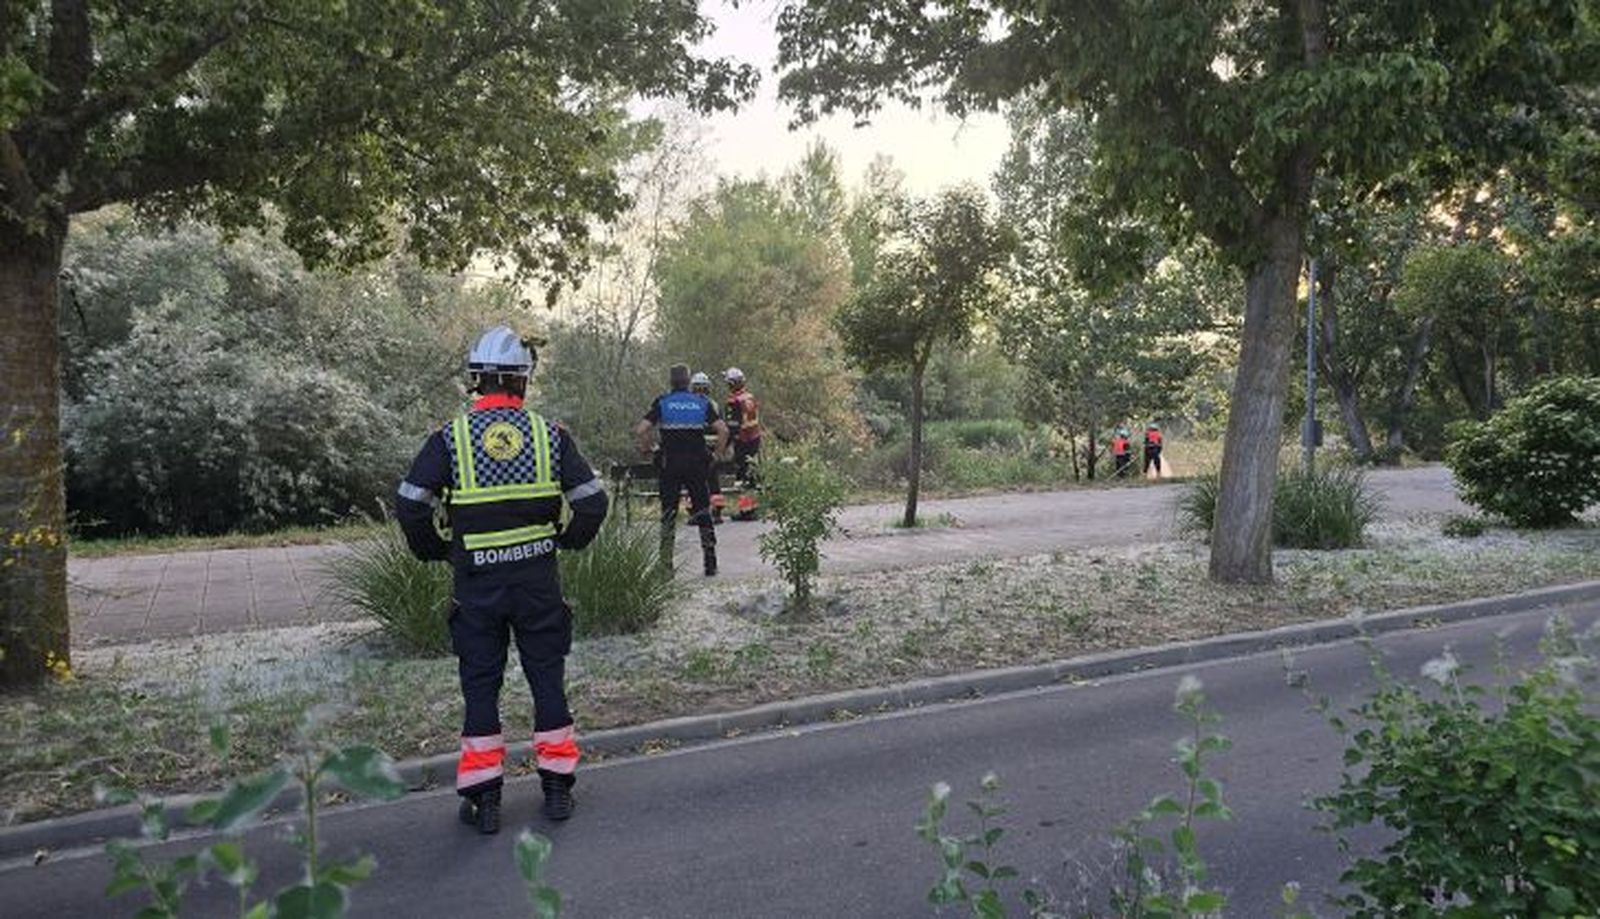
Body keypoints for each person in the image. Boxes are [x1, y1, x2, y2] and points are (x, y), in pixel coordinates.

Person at [395, 325, 608, 832]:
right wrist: (567, 540)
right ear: (522, 380)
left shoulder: (450, 439)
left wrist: (438, 550)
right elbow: (593, 502)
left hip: (477, 587)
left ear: (477, 380)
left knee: (480, 686)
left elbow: (409, 503)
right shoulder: (549, 436)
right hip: (537, 582)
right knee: (546, 679)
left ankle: (485, 800)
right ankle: (557, 788)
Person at [636, 364, 729, 576]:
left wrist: (648, 450)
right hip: (697, 465)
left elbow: (641, 429)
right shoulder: (701, 402)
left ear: (671, 382)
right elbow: (723, 430)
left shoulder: (663, 402)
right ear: (688, 382)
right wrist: (716, 455)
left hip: (670, 465)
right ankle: (710, 562)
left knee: (668, 513)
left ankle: (666, 565)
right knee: (703, 511)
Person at [723, 367, 762, 520]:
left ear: (731, 384)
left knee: (742, 476)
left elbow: (732, 426)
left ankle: (746, 510)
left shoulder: (733, 401)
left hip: (742, 442)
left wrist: (725, 445)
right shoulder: (749, 397)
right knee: (752, 475)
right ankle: (753, 508)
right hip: (754, 439)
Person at [691, 371, 727, 524]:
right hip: (713, 447)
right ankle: (716, 513)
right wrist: (721, 450)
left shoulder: (691, 405)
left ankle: (698, 512)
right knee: (713, 480)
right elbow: (722, 427)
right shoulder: (713, 404)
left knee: (695, 480)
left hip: (697, 447)